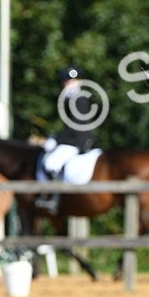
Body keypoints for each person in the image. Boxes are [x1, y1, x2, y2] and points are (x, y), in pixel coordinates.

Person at [36, 66, 97, 214]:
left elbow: (76, 126)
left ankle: (53, 199)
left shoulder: (79, 98)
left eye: (73, 80)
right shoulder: (70, 98)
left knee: (51, 163)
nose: (70, 83)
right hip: (72, 138)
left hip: (77, 140)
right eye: (68, 80)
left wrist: (55, 140)